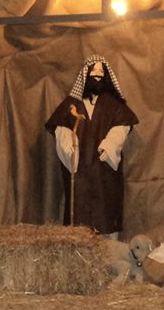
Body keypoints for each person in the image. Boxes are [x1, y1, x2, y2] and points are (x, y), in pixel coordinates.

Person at [45, 55, 139, 235]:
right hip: (79, 169)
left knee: (106, 208)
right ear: (85, 74)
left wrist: (110, 145)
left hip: (104, 169)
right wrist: (67, 144)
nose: (97, 74)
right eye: (94, 70)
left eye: (101, 72)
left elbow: (122, 127)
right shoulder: (72, 104)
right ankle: (77, 244)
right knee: (78, 207)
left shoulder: (114, 105)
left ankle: (109, 245)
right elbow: (61, 127)